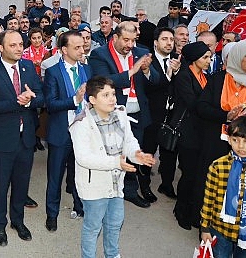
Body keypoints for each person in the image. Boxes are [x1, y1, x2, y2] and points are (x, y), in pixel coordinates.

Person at [195, 40, 246, 226]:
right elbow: (201, 107)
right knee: (217, 185)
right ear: (237, 57)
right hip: (219, 143)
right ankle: (211, 224)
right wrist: (226, 115)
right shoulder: (218, 79)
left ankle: (244, 226)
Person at [69, 76, 155, 258]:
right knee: (92, 228)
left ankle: (113, 255)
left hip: (116, 184)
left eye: (113, 94)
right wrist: (116, 163)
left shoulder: (120, 114)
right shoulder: (81, 124)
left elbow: (129, 141)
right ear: (92, 100)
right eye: (105, 95)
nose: (112, 99)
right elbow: (83, 158)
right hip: (94, 187)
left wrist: (137, 154)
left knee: (115, 224)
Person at [0, 30, 45, 247]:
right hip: (1, 139)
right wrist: (17, 102)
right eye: (13, 45)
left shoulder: (27, 68)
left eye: (20, 44)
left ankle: (18, 221)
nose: (19, 48)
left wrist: (29, 102)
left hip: (25, 138)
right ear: (0, 46)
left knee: (21, 183)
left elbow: (41, 96)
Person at [88, 21, 159, 208]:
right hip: (112, 115)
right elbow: (104, 81)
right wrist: (132, 71)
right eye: (125, 40)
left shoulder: (140, 53)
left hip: (137, 113)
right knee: (110, 154)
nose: (129, 45)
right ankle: (104, 191)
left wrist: (146, 70)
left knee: (133, 153)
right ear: (115, 37)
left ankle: (129, 191)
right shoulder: (99, 54)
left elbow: (156, 82)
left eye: (133, 40)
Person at [200, 116, 246, 258]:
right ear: (229, 140)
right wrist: (205, 228)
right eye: (236, 140)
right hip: (221, 229)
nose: (241, 146)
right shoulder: (218, 166)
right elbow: (208, 200)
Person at [43, 30, 90, 232]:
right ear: (64, 50)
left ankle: (80, 207)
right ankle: (51, 215)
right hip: (61, 132)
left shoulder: (87, 69)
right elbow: (50, 104)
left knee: (80, 173)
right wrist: (74, 101)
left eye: (83, 46)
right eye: (77, 47)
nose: (82, 50)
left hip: (83, 132)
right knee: (55, 176)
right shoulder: (53, 72)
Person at [138, 27, 181, 203]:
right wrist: (170, 75)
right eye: (165, 39)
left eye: (171, 39)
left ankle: (167, 184)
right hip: (151, 114)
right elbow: (149, 86)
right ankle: (144, 185)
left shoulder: (177, 61)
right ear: (156, 42)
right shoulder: (148, 60)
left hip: (171, 116)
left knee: (170, 152)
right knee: (148, 151)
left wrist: (177, 73)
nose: (169, 43)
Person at [172, 41, 211, 230]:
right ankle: (181, 211)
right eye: (205, 57)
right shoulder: (184, 77)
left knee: (198, 174)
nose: (209, 61)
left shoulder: (205, 77)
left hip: (202, 132)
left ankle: (195, 211)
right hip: (188, 132)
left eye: (209, 57)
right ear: (194, 59)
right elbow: (193, 103)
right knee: (188, 174)